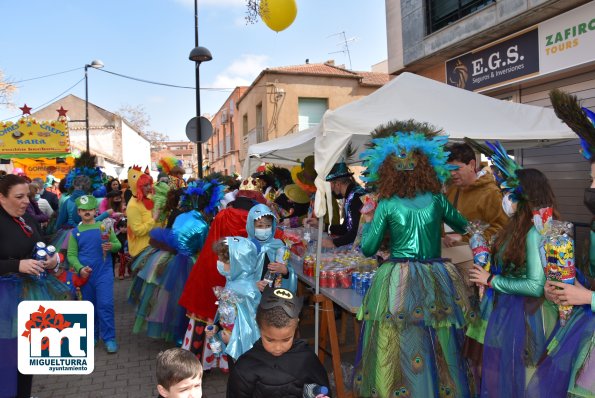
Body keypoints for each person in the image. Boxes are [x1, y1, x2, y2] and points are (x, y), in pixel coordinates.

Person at [355, 121, 472, 397]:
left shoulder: (387, 203)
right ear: (426, 167)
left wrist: (370, 220)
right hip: (436, 277)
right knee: (437, 335)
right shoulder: (436, 200)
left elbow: (369, 248)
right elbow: (465, 226)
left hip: (397, 278)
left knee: (397, 337)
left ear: (386, 170)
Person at [467, 159, 557, 396]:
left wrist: (490, 280)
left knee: (522, 378)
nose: (504, 199)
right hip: (507, 309)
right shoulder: (517, 227)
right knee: (503, 372)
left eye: (508, 193)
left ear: (524, 196)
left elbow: (535, 286)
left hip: (527, 315)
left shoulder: (534, 231)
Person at [0, 174, 70, 398]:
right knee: (7, 357)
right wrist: (17, 264)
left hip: (28, 295)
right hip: (4, 300)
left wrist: (53, 260)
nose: (25, 202)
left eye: (27, 196)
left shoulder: (26, 219)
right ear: (1, 197)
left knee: (28, 356)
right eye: (18, 197)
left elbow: (43, 244)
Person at [226, 287, 330, 397]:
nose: (278, 348)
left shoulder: (307, 359)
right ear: (259, 327)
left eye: (286, 339)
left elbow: (321, 388)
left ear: (296, 326)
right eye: (270, 340)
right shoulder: (245, 367)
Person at [67, 195, 122, 353]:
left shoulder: (103, 227)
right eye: (83, 210)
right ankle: (93, 335)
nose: (86, 212)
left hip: (103, 272)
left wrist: (111, 246)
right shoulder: (75, 233)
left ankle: (109, 338)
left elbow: (118, 245)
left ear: (95, 210)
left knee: (105, 304)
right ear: (78, 212)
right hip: (86, 275)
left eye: (89, 209)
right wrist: (79, 268)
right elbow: (71, 255)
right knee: (89, 306)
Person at [206, 237, 262, 364]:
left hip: (244, 351)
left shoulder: (246, 290)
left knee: (241, 378)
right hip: (232, 340)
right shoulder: (233, 281)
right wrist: (217, 328)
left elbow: (250, 327)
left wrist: (233, 339)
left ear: (239, 263)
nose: (219, 263)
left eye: (223, 261)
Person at [444, 143, 508, 246]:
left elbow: (501, 230)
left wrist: (464, 238)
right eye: (449, 169)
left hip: (480, 259)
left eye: (456, 168)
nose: (452, 173)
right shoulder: (452, 190)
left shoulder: (491, 193)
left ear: (472, 165)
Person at [322, 162, 366, 249]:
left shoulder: (356, 197)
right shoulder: (350, 195)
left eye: (330, 184)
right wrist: (323, 226)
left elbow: (355, 232)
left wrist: (334, 243)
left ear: (337, 184)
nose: (330, 189)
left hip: (362, 248)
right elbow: (345, 228)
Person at [126, 166, 157, 258]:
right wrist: (154, 219)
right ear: (137, 187)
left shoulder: (148, 198)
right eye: (145, 185)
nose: (149, 187)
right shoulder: (132, 206)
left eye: (149, 184)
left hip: (152, 247)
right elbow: (138, 231)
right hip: (141, 252)